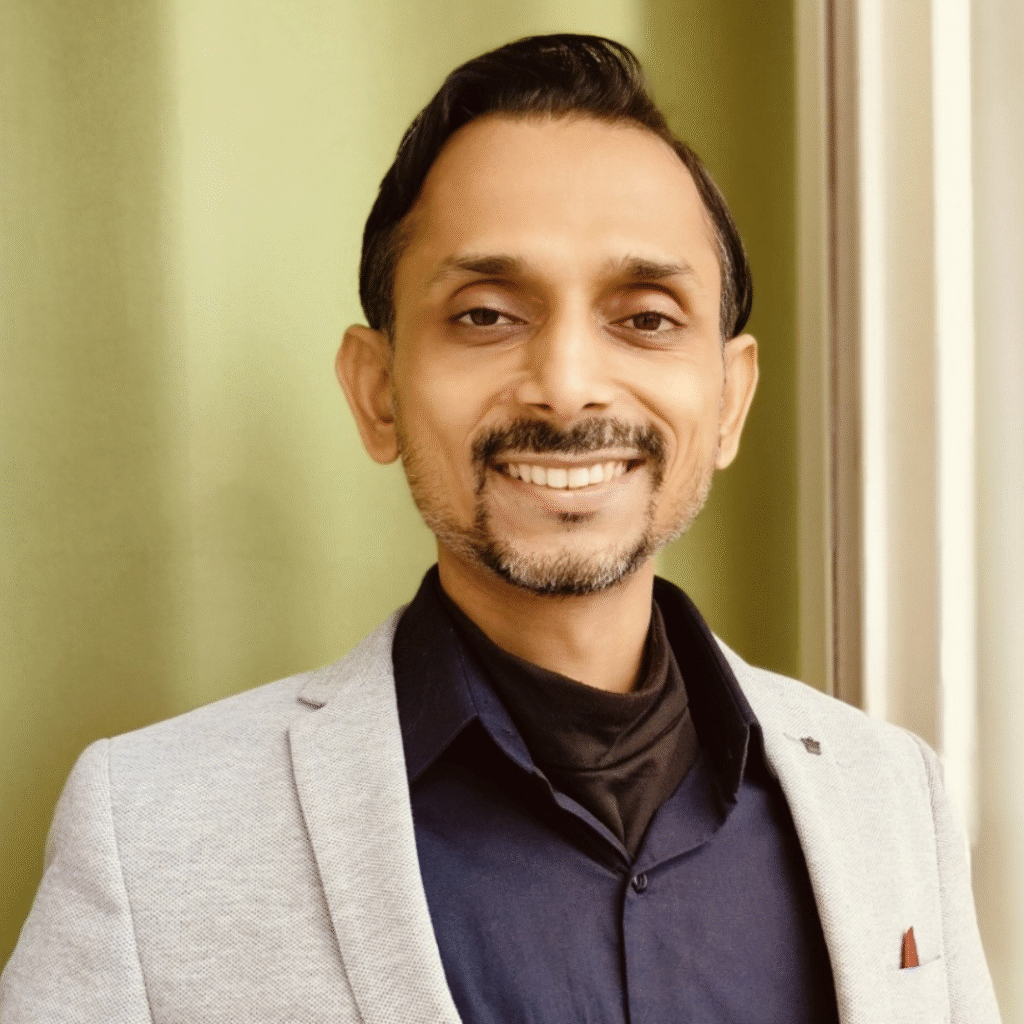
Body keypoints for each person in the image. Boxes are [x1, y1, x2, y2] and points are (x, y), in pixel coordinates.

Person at [1, 33, 1000, 1024]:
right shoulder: (147, 832)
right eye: (485, 315)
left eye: (646, 317)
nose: (566, 386)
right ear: (377, 391)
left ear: (730, 400)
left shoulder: (892, 798)